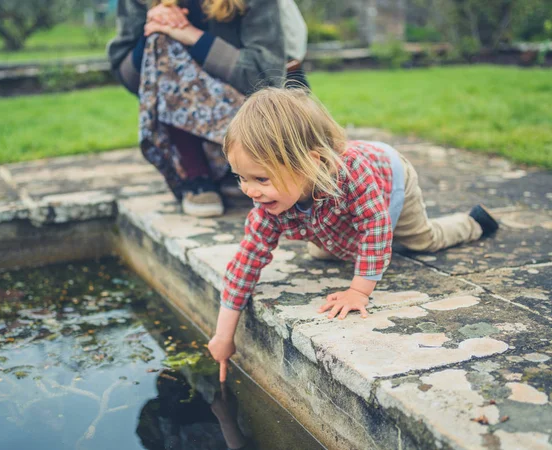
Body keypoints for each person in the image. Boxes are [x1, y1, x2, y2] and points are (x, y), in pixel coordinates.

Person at [208, 87, 500, 381]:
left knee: (421, 241)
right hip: (337, 211)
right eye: (241, 178)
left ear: (311, 162)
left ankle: (473, 222)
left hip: (391, 181)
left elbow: (374, 225)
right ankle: (374, 251)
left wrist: (358, 291)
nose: (249, 190)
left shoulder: (352, 172)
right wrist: (223, 336)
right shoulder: (267, 203)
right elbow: (246, 262)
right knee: (325, 253)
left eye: (261, 178)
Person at [107, 0, 308, 218]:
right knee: (160, 40)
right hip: (189, 122)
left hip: (256, 112)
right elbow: (126, 74)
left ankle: (244, 166)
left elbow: (267, 77)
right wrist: (154, 27)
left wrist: (193, 36)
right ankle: (196, 174)